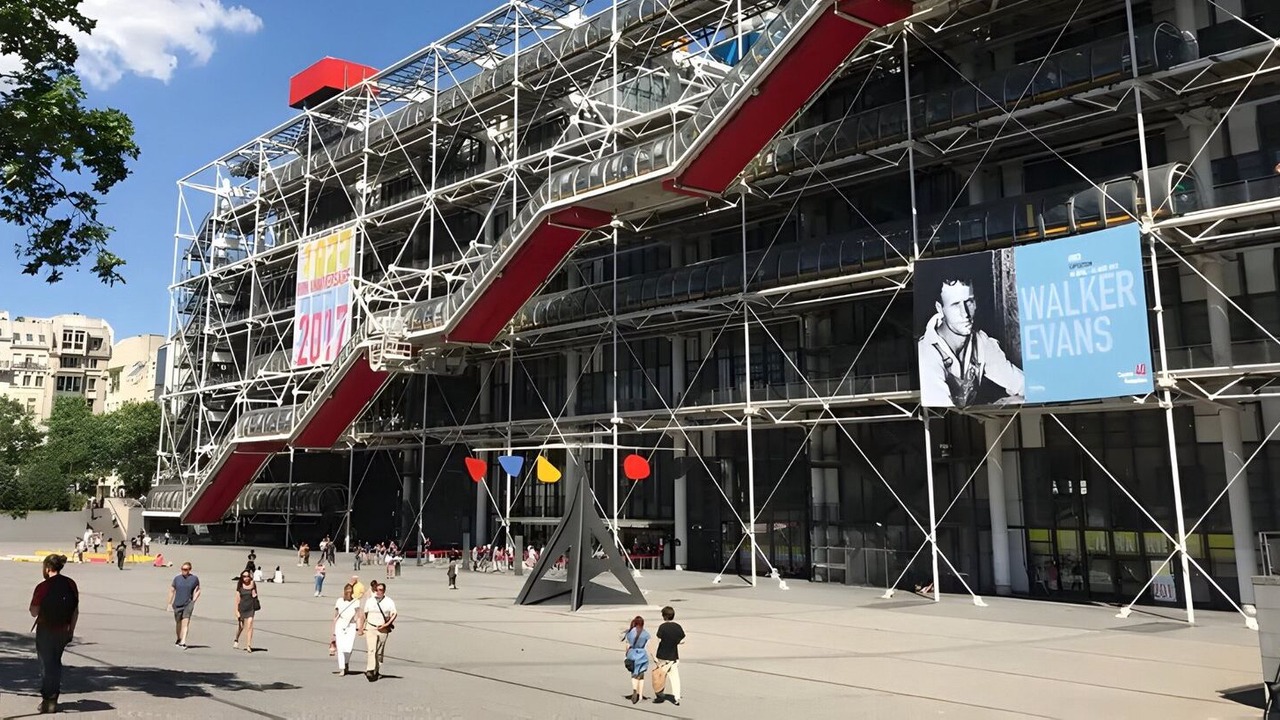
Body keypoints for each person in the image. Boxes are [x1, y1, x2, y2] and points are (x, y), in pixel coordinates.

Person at [918, 276, 1024, 408]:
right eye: (955, 304)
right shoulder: (926, 352)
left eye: (969, 302)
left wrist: (1017, 399)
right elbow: (942, 410)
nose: (965, 314)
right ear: (940, 309)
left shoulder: (981, 341)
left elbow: (1021, 383)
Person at [29, 554, 78, 714]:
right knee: (56, 663)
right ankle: (53, 698)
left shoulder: (43, 586)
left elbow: (33, 612)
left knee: (46, 665)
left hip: (46, 630)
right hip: (63, 630)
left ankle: (48, 700)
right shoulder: (71, 584)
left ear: (47, 568)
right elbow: (75, 611)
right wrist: (71, 631)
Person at [359, 581, 396, 681]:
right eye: (377, 590)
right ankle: (370, 670)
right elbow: (364, 614)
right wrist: (361, 627)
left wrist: (386, 625)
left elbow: (394, 614)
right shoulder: (370, 601)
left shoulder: (389, 601)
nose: (379, 592)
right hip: (371, 628)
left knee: (379, 652)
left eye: (381, 590)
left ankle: (376, 670)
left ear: (384, 591)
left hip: (383, 629)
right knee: (371, 649)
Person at [653, 606, 685, 705]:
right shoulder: (677, 627)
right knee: (675, 677)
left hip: (662, 655)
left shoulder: (662, 627)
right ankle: (676, 697)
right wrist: (675, 642)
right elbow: (682, 640)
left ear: (664, 616)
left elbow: (659, 639)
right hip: (673, 656)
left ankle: (660, 694)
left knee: (661, 676)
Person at [166, 561, 201, 648]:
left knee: (186, 621)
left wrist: (194, 600)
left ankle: (183, 640)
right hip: (177, 604)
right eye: (182, 569)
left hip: (188, 604)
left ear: (189, 570)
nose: (183, 571)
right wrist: (169, 603)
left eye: (185, 569)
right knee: (178, 623)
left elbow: (198, 590)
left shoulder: (194, 579)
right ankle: (179, 638)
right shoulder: (177, 579)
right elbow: (172, 590)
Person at [332, 583, 361, 675]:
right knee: (340, 646)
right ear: (344, 591)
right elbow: (336, 615)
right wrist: (333, 630)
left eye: (350, 591)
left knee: (349, 647)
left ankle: (346, 662)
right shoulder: (339, 601)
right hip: (340, 624)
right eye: (347, 591)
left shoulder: (356, 601)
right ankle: (342, 668)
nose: (349, 592)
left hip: (351, 625)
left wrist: (358, 626)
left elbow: (357, 614)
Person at [622, 615, 650, 704]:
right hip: (642, 654)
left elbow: (627, 645)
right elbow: (648, 645)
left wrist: (626, 655)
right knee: (641, 676)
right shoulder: (645, 633)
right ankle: (640, 695)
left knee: (634, 675)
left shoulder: (630, 633)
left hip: (632, 654)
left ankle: (634, 690)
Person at [233, 570, 258, 652]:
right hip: (242, 607)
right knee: (241, 626)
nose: (246, 578)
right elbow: (237, 598)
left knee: (250, 624)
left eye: (247, 576)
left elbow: (255, 594)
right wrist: (236, 611)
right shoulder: (240, 584)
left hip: (251, 607)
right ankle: (236, 639)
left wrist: (254, 595)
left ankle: (248, 645)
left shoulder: (253, 583)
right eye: (244, 576)